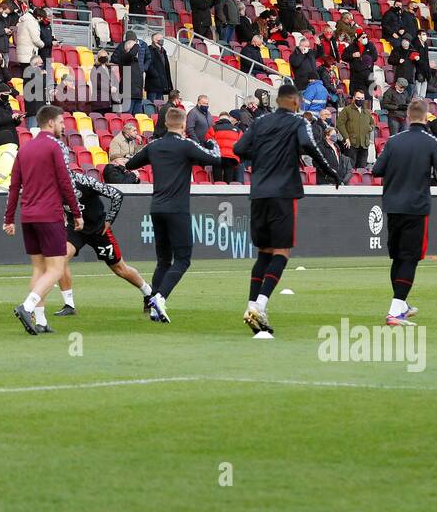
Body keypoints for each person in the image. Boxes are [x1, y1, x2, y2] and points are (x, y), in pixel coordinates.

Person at [232, 85, 339, 335]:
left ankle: (251, 306)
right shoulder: (297, 122)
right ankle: (260, 305)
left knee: (264, 253)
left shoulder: (260, 122)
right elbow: (309, 145)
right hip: (283, 193)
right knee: (282, 251)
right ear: (294, 102)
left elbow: (239, 149)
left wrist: (263, 154)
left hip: (259, 192)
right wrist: (330, 170)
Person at [124, 106, 224, 324]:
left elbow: (130, 163)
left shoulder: (154, 145)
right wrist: (211, 142)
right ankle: (159, 298)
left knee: (163, 260)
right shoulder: (186, 145)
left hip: (157, 208)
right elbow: (216, 158)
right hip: (177, 209)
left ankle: (152, 306)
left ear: (167, 123)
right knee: (183, 259)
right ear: (182, 125)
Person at [372, 100, 437, 326]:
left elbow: (376, 169)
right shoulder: (431, 142)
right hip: (416, 207)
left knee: (398, 258)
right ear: (426, 117)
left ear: (407, 116)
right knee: (410, 258)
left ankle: (401, 305)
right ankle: (395, 311)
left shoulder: (393, 141)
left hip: (393, 206)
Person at [4, 104, 82, 334]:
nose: (63, 126)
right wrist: (76, 213)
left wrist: (9, 218)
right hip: (50, 215)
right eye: (60, 122)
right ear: (50, 122)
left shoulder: (25, 149)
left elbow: (14, 186)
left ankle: (40, 321)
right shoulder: (55, 146)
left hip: (28, 216)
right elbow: (65, 182)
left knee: (39, 269)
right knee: (56, 269)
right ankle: (27, 307)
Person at [53, 171, 155, 316]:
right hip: (75, 228)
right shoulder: (50, 184)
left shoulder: (85, 181)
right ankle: (69, 305)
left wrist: (109, 220)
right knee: (60, 258)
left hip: (98, 230)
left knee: (120, 269)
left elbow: (117, 194)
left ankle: (148, 292)